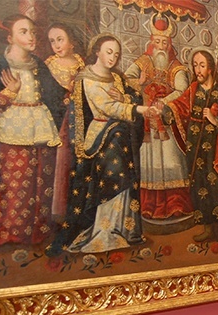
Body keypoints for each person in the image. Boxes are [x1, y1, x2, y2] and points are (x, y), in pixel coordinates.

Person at [45, 33, 155, 256]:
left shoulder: (116, 77)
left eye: (116, 53)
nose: (113, 57)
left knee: (125, 180)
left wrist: (127, 101)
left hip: (120, 136)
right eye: (108, 52)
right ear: (97, 51)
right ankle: (103, 231)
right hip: (101, 137)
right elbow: (107, 108)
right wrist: (138, 109)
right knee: (112, 178)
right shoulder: (87, 78)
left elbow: (131, 96)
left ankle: (122, 229)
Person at [0, 14, 67, 246]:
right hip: (11, 133)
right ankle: (11, 231)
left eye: (33, 31)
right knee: (15, 184)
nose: (31, 36)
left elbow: (56, 96)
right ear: (10, 37)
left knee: (42, 180)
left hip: (41, 129)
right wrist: (10, 93)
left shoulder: (38, 65)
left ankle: (37, 230)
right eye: (24, 32)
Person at [160, 48, 218, 242]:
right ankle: (208, 228)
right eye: (195, 65)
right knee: (199, 185)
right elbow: (180, 105)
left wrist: (213, 118)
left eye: (202, 65)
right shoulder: (193, 89)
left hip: (217, 149)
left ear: (210, 68)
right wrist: (165, 110)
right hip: (196, 147)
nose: (198, 69)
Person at [124, 13, 193, 224]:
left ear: (169, 44)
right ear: (151, 43)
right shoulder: (143, 62)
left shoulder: (176, 66)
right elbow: (126, 78)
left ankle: (176, 205)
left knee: (172, 161)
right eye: (157, 42)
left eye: (164, 42)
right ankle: (149, 206)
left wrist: (163, 103)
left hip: (166, 122)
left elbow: (182, 90)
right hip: (147, 122)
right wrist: (140, 82)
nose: (160, 45)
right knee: (149, 164)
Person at [45, 22, 86, 220]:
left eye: (60, 39)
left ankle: (76, 208)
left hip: (76, 118)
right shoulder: (49, 64)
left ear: (72, 42)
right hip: (57, 118)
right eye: (52, 41)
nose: (56, 45)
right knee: (58, 162)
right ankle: (57, 211)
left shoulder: (80, 63)